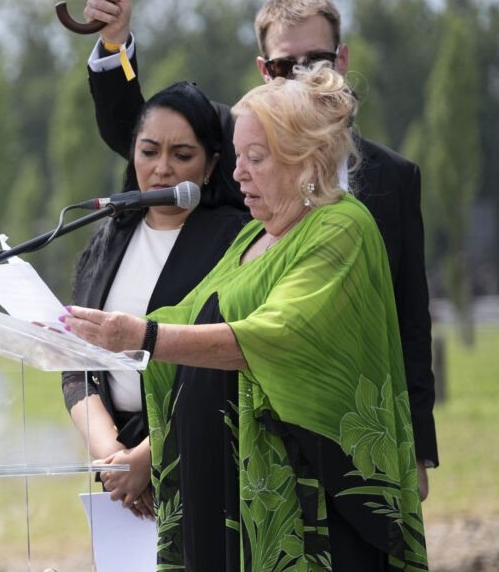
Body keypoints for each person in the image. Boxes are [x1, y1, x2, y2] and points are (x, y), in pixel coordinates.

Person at [79, 0, 438, 500]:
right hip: (258, 441)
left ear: (341, 61)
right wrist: (115, 44)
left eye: (312, 63)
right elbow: (142, 135)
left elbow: (406, 318)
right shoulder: (241, 141)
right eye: (281, 67)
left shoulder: (393, 177)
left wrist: (418, 449)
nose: (296, 80)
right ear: (262, 71)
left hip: (353, 429)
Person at [61, 64, 427, 570]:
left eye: (256, 158)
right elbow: (185, 318)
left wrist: (142, 334)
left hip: (305, 503)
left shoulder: (340, 227)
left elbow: (277, 335)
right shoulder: (252, 237)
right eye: (238, 158)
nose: (238, 174)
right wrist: (86, 334)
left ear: (308, 160)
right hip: (226, 497)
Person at [62, 81, 249, 519]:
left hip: (208, 455)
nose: (162, 168)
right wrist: (113, 458)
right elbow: (77, 365)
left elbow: (223, 363)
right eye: (148, 152)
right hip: (117, 470)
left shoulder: (237, 239)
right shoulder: (110, 234)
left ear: (211, 164)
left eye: (182, 155)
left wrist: (150, 457)